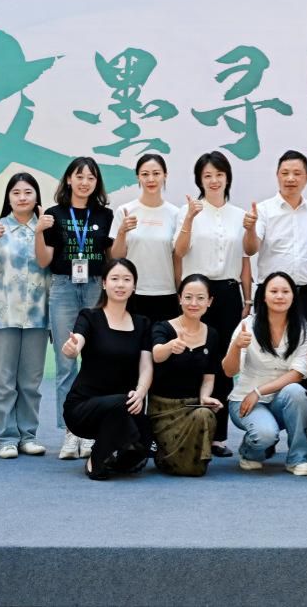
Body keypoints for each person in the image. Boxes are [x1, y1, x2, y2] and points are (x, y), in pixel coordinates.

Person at [35, 156, 115, 460]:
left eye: (91, 178)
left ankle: (91, 432)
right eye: (79, 176)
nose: (84, 182)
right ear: (69, 179)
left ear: (97, 183)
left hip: (95, 287)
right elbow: (44, 260)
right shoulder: (54, 214)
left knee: (96, 360)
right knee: (66, 362)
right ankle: (71, 432)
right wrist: (39, 231)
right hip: (63, 287)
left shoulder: (105, 215)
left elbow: (112, 257)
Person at [173, 150, 252, 458]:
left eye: (219, 175)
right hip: (197, 293)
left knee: (223, 363)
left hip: (229, 293)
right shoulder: (188, 211)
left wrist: (248, 297)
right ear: (199, 180)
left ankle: (218, 435)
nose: (214, 180)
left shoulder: (239, 214)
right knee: (192, 359)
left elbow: (245, 259)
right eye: (207, 176)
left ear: (227, 178)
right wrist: (190, 218)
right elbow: (179, 252)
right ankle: (189, 428)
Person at [0, 172, 50, 458]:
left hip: (37, 316)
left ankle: (28, 436)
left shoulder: (45, 228)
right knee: (3, 382)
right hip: (2, 316)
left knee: (30, 382)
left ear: (36, 196)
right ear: (8, 197)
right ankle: (5, 438)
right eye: (16, 193)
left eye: (28, 192)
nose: (22, 198)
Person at [60, 258, 153, 480]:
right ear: (104, 283)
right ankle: (96, 459)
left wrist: (141, 393)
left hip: (123, 407)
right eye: (114, 279)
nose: (120, 284)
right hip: (84, 407)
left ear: (134, 286)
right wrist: (72, 348)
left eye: (126, 279)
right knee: (123, 406)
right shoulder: (89, 316)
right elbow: (78, 340)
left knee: (144, 437)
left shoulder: (142, 323)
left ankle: (112, 448)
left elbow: (146, 366)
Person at [224, 271, 307, 475]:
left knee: (296, 391)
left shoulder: (303, 329)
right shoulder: (248, 325)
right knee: (265, 435)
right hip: (245, 401)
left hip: (278, 400)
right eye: (273, 291)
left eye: (285, 291)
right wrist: (236, 347)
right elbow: (229, 371)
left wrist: (259, 391)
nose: (280, 296)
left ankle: (299, 458)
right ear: (264, 296)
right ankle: (249, 451)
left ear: (293, 296)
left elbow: (297, 374)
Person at [244, 149, 307, 335]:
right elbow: (250, 249)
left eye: (297, 173)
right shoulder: (263, 210)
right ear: (277, 175)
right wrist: (249, 229)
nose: (290, 179)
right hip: (271, 294)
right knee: (268, 345)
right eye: (285, 173)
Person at [149, 274, 222, 476]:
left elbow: (209, 377)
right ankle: (164, 455)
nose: (194, 303)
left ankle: (190, 462)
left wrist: (205, 397)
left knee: (205, 414)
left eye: (200, 298)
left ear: (209, 301)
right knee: (182, 467)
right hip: (163, 408)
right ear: (179, 299)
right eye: (188, 297)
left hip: (192, 407)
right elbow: (156, 355)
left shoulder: (212, 335)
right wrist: (170, 346)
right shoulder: (163, 327)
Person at [110, 153, 182, 322]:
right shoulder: (125, 211)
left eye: (156, 173)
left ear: (165, 175)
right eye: (145, 174)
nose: (151, 179)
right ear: (138, 177)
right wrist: (121, 232)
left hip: (166, 292)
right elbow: (116, 257)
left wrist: (180, 290)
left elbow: (177, 258)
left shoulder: (175, 213)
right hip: (132, 292)